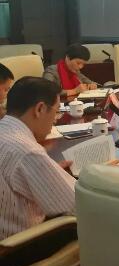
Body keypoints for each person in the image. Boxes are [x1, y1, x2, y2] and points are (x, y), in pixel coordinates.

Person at [0, 77, 75, 240]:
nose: (55, 119)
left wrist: (49, 173)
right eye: (56, 111)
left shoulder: (5, 131)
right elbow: (75, 206)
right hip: (17, 246)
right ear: (40, 109)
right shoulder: (27, 151)